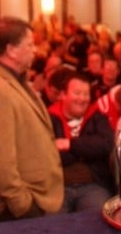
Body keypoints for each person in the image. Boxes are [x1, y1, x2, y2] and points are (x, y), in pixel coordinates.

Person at [0, 17, 64, 220]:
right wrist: (21, 204)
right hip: (21, 206)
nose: (35, 50)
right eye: (30, 45)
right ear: (12, 50)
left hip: (36, 197)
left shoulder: (14, 79)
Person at [49, 71, 114, 212]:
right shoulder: (49, 118)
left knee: (98, 218)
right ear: (63, 95)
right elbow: (48, 153)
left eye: (86, 94)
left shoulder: (97, 117)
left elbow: (106, 145)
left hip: (93, 185)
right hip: (57, 186)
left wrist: (69, 144)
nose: (82, 99)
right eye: (77, 93)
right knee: (51, 222)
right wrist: (87, 150)